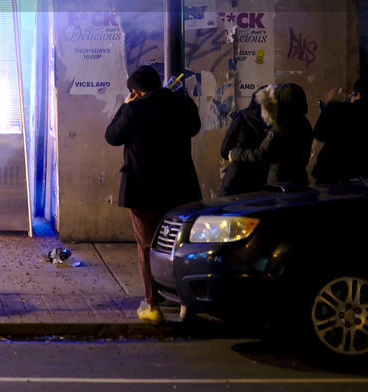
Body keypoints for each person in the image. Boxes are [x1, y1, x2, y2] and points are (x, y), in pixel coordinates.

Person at [104, 65, 201, 324]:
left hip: (144, 191)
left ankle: (153, 305)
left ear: (135, 92)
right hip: (181, 190)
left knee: (147, 247)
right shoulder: (180, 105)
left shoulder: (134, 110)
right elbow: (195, 126)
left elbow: (112, 136)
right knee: (180, 247)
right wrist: (182, 97)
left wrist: (125, 106)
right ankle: (186, 305)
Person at [224, 83, 313, 186]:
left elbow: (261, 154)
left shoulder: (281, 127)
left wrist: (235, 154)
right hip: (300, 180)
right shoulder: (305, 123)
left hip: (281, 185)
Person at [218, 87, 269, 195]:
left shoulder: (242, 117)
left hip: (235, 181)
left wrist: (235, 153)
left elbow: (224, 150)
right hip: (260, 184)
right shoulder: (273, 124)